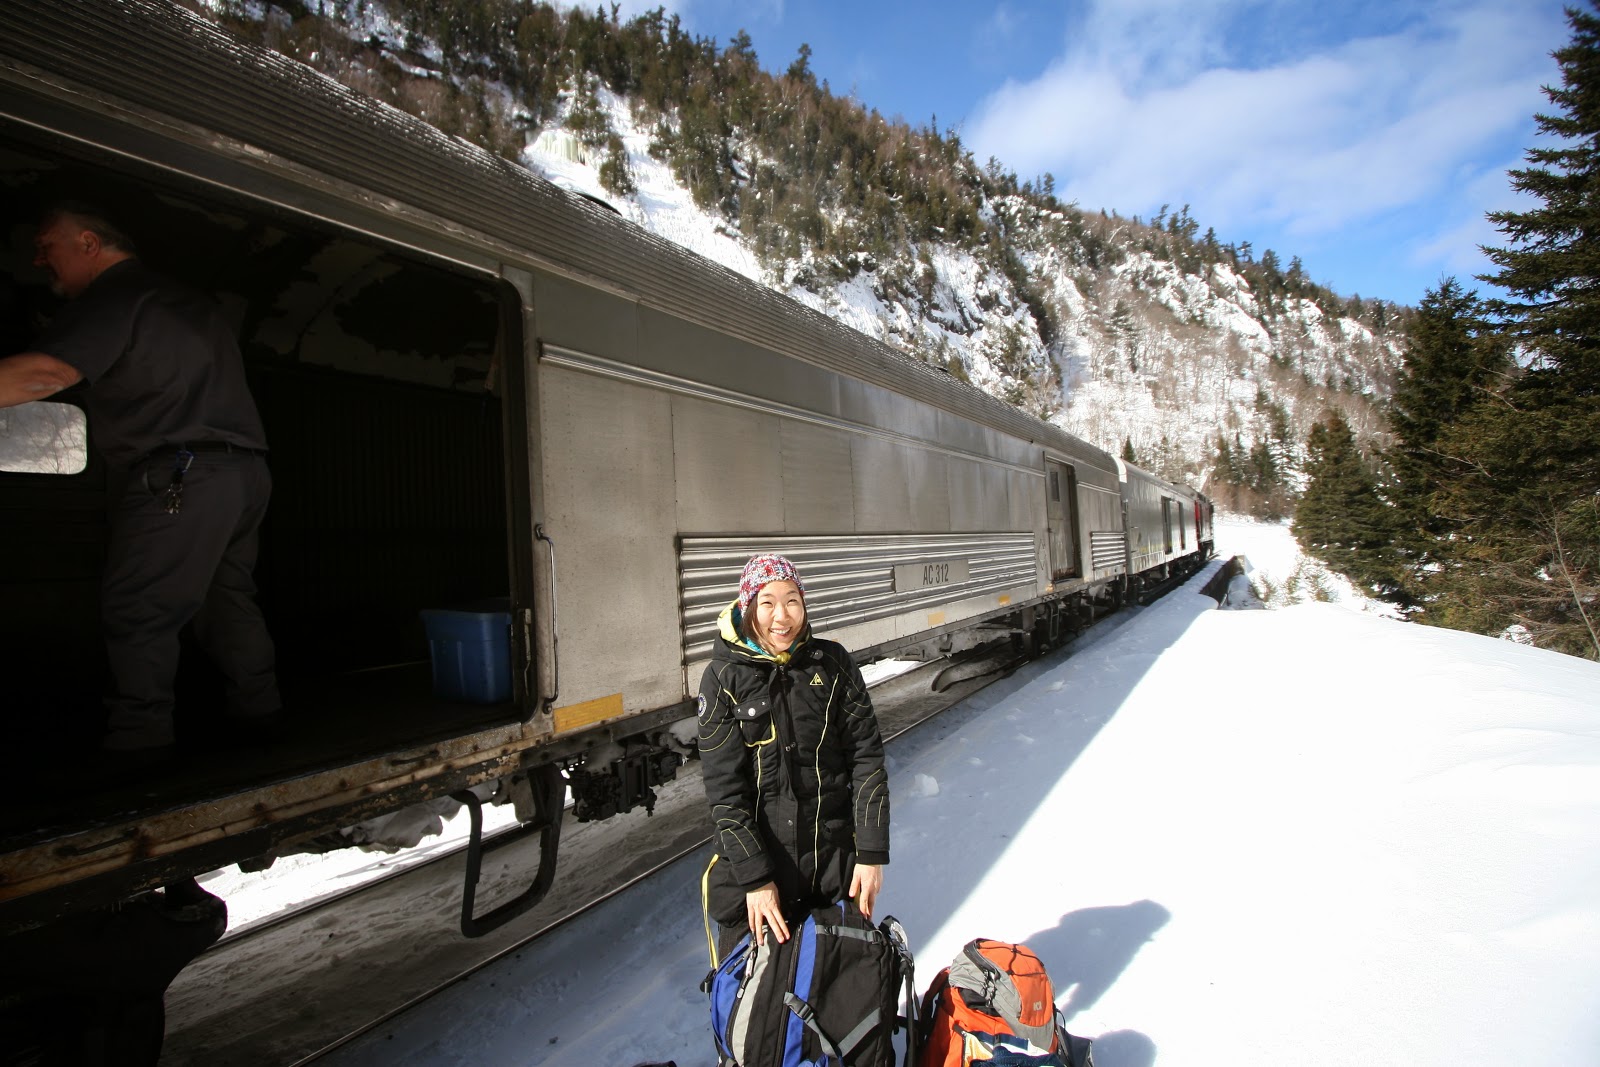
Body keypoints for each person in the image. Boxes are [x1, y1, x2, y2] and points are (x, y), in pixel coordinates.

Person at [0, 202, 279, 759]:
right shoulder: (189, 303)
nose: (38, 259)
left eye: (46, 245)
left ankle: (139, 744)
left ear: (87, 243)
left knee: (139, 607)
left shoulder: (114, 297)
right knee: (226, 601)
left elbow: (47, 372)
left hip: (182, 474)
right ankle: (261, 717)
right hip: (243, 473)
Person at [697, 553, 890, 958]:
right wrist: (755, 879)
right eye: (767, 602)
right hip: (757, 888)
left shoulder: (834, 664)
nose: (782, 616)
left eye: (792, 601)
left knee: (842, 987)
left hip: (833, 874)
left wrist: (871, 854)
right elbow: (725, 792)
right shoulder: (722, 678)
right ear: (749, 608)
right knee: (754, 995)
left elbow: (866, 759)